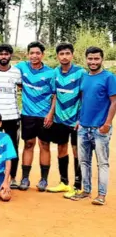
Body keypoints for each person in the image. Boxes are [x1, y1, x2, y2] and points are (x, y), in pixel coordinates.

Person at [71, 46, 116, 205]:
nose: (93, 62)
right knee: (84, 161)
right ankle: (86, 190)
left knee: (102, 162)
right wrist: (79, 119)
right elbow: (83, 100)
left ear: (102, 59)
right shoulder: (84, 77)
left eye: (96, 58)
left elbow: (114, 101)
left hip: (100, 128)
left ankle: (101, 195)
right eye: (90, 58)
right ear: (86, 59)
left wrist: (107, 124)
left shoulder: (109, 77)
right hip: (83, 127)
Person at [14, 41, 56, 192]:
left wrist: (50, 114)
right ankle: (25, 178)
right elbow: (8, 73)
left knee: (44, 145)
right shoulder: (21, 67)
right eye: (32, 53)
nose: (34, 56)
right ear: (28, 54)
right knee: (28, 144)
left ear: (43, 55)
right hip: (27, 115)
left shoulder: (51, 73)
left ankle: (44, 179)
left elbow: (55, 95)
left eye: (38, 53)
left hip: (44, 115)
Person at [49, 43, 84, 197]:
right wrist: (51, 114)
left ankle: (77, 185)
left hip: (76, 120)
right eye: (61, 54)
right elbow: (54, 95)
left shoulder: (80, 72)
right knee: (61, 148)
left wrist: (81, 118)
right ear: (57, 56)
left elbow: (84, 97)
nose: (64, 57)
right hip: (59, 119)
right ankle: (64, 182)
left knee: (77, 151)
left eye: (67, 53)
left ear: (72, 55)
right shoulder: (55, 72)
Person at [0, 44, 22, 188]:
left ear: (10, 55)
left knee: (12, 147)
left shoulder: (16, 72)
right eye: (1, 54)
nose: (3, 56)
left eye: (6, 54)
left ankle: (13, 177)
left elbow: (23, 88)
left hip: (12, 116)